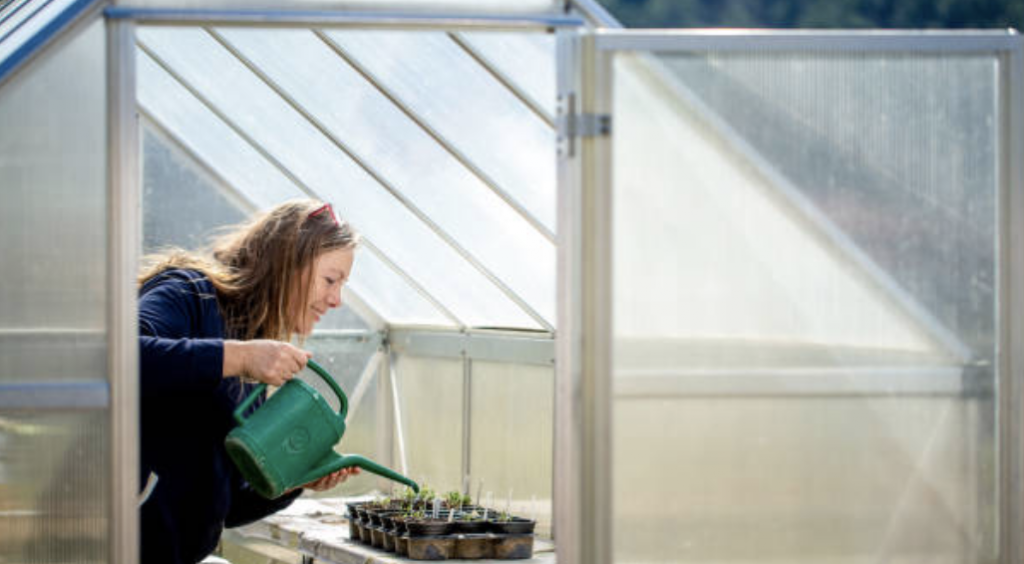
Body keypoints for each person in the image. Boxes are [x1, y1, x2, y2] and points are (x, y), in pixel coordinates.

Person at [137, 199, 362, 564]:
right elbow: (119, 356)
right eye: (330, 280)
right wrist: (239, 356)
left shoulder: (251, 353)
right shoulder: (190, 293)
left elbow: (228, 505)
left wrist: (296, 478)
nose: (336, 299)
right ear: (288, 262)